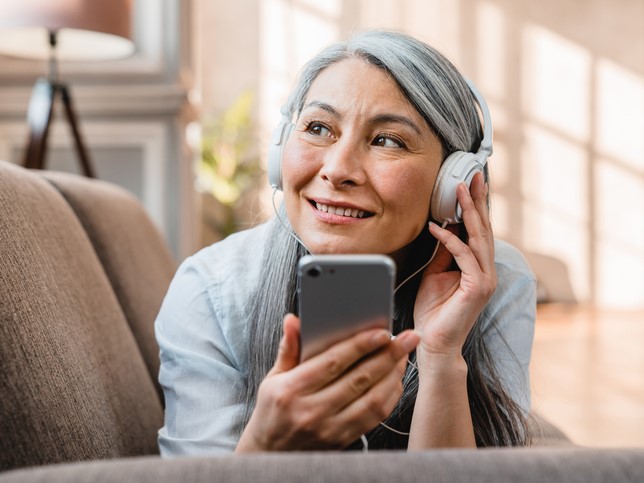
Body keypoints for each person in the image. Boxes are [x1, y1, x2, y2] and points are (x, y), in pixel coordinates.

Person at [155, 29, 536, 455]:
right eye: (318, 128)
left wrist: (442, 357)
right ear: (281, 152)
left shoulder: (494, 281)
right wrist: (265, 442)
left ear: (452, 183)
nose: (337, 170)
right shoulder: (212, 289)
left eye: (387, 140)